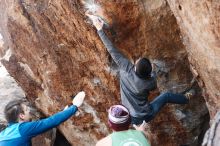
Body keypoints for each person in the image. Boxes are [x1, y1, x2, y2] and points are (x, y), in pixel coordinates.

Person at [86, 12, 195, 125]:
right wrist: (153, 72)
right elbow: (152, 83)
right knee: (166, 96)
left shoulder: (127, 69)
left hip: (130, 117)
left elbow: (112, 50)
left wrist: (100, 29)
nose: (136, 60)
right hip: (147, 115)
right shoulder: (149, 82)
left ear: (135, 68)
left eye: (137, 62)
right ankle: (185, 98)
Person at [0, 91, 85, 146]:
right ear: (21, 116)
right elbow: (51, 122)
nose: (29, 110)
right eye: (26, 110)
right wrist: (74, 107)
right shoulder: (23, 129)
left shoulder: (4, 133)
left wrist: (65, 112)